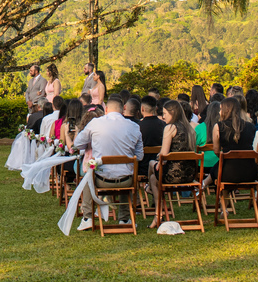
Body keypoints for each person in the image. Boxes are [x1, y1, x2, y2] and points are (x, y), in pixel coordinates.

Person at [73, 97, 144, 230]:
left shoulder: (95, 123)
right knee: (125, 171)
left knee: (89, 176)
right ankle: (124, 218)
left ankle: (88, 217)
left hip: (102, 180)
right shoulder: (134, 126)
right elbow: (139, 156)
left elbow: (77, 144)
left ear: (106, 109)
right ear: (123, 109)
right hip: (127, 181)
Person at [147, 100, 198, 228]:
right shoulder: (190, 130)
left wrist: (158, 158)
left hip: (172, 175)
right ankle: (157, 215)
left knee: (151, 164)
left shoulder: (170, 128)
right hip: (190, 175)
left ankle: (148, 189)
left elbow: (163, 155)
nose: (163, 117)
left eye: (165, 113)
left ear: (172, 113)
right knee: (154, 178)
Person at [213, 97, 258, 185]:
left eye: (221, 109)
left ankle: (224, 197)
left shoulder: (219, 126)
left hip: (228, 173)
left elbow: (216, 150)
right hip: (250, 172)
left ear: (227, 110)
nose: (219, 112)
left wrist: (225, 158)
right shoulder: (251, 126)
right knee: (217, 167)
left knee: (216, 168)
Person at [194, 101, 221, 180]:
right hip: (219, 165)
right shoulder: (223, 128)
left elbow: (194, 149)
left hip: (202, 166)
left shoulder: (199, 128)